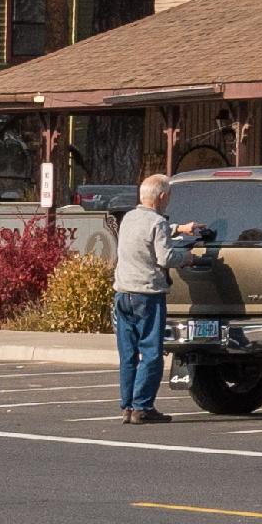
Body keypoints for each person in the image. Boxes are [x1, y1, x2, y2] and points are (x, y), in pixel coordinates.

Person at [109, 172, 177, 424]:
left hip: (123, 293)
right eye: (168, 196)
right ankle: (143, 407)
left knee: (128, 353)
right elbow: (165, 258)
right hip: (147, 295)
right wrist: (189, 258)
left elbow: (146, 232)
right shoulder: (157, 223)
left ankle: (127, 406)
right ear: (161, 197)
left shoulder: (129, 218)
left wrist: (178, 228)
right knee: (151, 352)